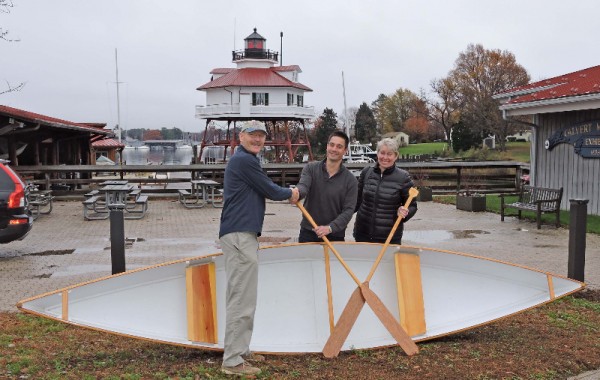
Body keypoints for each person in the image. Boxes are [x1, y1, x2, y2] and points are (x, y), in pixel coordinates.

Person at [218, 120, 299, 376]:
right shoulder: (244, 161)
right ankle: (232, 361)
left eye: (261, 136)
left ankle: (241, 350)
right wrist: (292, 192)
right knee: (241, 298)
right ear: (240, 136)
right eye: (252, 135)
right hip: (240, 235)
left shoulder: (245, 159)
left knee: (244, 297)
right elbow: (270, 190)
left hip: (242, 234)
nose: (257, 139)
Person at [296, 130, 358, 242]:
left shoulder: (351, 180)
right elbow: (303, 187)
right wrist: (296, 193)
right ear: (327, 146)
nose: (334, 149)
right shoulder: (310, 169)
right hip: (309, 232)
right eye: (332, 145)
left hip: (335, 235)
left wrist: (330, 228)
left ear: (345, 151)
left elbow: (348, 211)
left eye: (339, 147)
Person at [353, 137, 417, 244]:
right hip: (362, 233)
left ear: (395, 156)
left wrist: (405, 212)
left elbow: (412, 206)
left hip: (389, 236)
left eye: (389, 154)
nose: (385, 157)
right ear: (377, 153)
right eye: (382, 153)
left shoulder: (403, 177)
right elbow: (356, 201)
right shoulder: (366, 172)